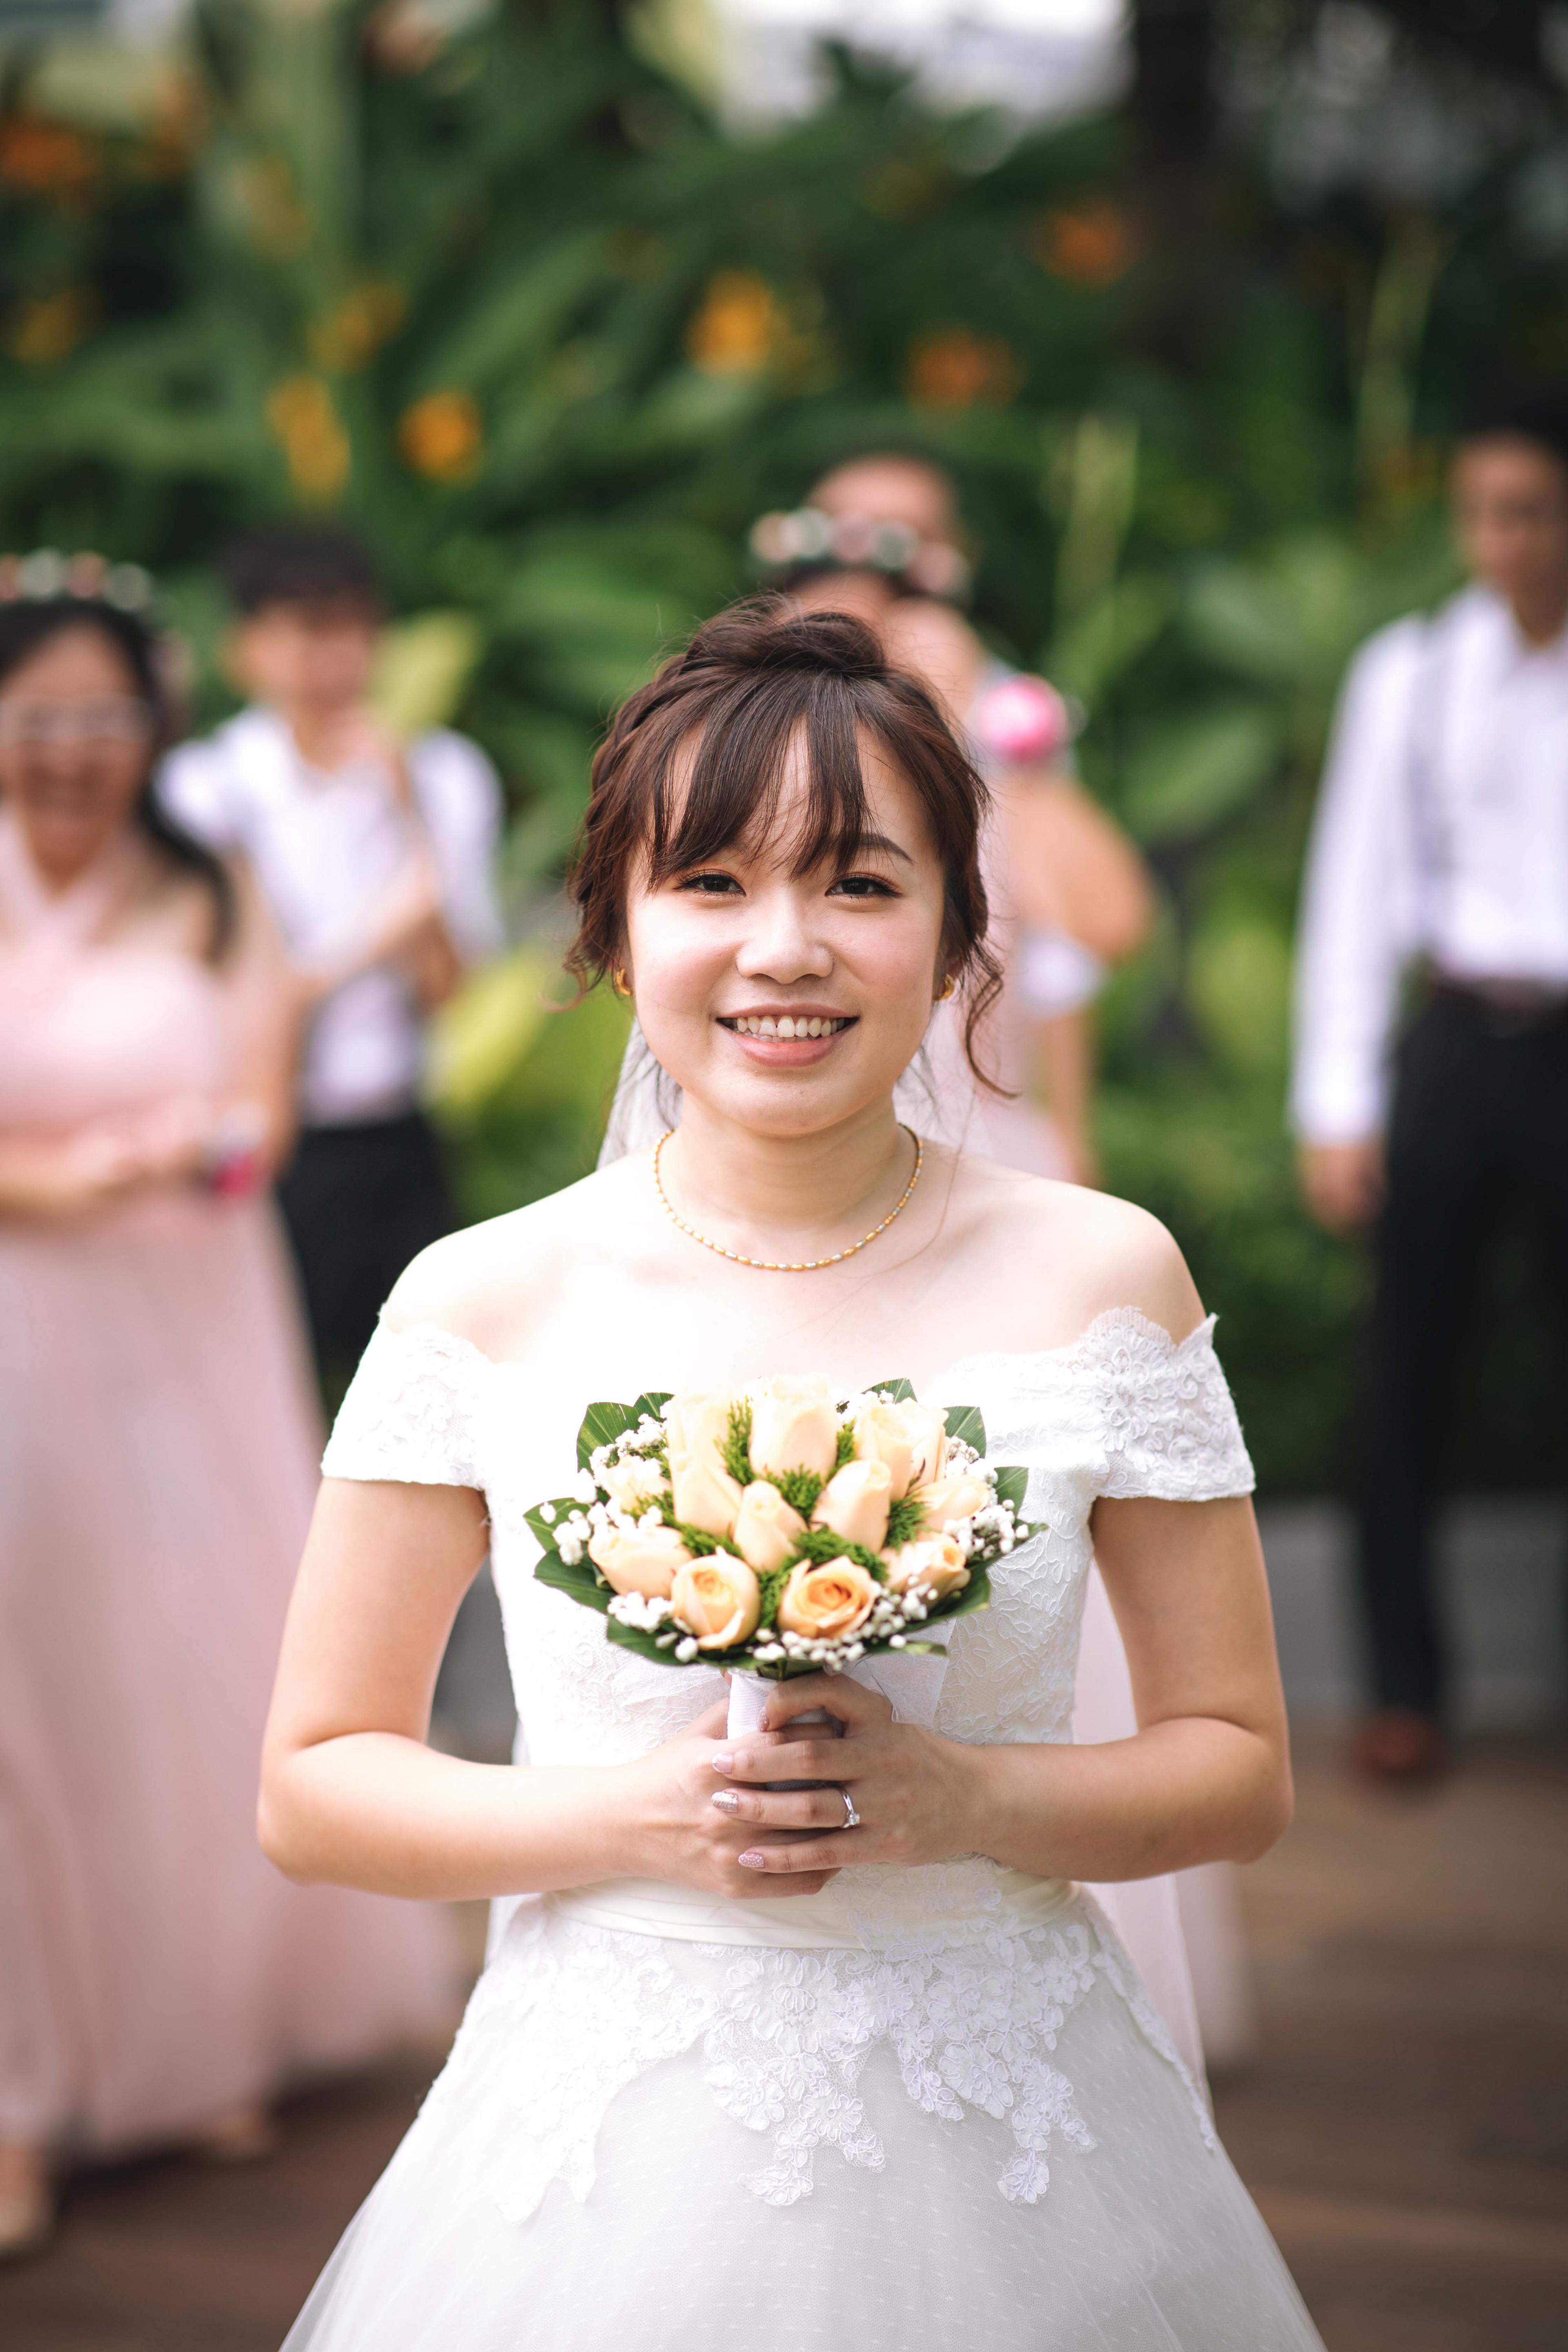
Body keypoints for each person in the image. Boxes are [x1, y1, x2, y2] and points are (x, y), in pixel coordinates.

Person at [263, 604, 1320, 2348]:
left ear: (958, 931)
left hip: (1017, 2127)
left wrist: (966, 1800)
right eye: (710, 883)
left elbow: (1240, 1767)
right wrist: (640, 1820)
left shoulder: (1104, 1276)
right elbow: (314, 1787)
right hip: (597, 2148)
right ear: (614, 928)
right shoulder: (480, 1300)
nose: (785, 949)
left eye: (859, 883)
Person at [763, 459, 1253, 2074]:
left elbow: (1109, 917)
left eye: (902, 567)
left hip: (997, 1197)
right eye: (840, 561)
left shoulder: (996, 747)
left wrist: (994, 744)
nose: (871, 595)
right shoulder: (758, 753)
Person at [0, 577, 453, 2261]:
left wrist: (199, 1153)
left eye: (107, 718)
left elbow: (266, 1110)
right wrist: (50, 1181)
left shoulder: (210, 888)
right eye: (38, 717)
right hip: (18, 1327)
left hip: (187, 1328)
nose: (74, 752)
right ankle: (20, 2089)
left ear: (155, 729)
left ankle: (187, 2037)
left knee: (178, 1666)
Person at [1293, 390, 1568, 1782]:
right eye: (1481, 513)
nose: (1502, 540)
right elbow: (1356, 891)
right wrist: (1336, 1103)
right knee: (1407, 1372)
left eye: (1530, 512)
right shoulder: (1410, 673)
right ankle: (1404, 1691)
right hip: (1458, 1040)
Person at [158, 527, 504, 1390]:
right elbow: (209, 986)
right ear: (245, 649)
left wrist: (403, 806)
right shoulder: (205, 787)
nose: (336, 657)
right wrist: (356, 953)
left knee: (426, 1378)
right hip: (265, 1133)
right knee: (265, 1381)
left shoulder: (443, 773)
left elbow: (447, 986)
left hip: (400, 1128)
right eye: (307, 630)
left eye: (355, 628)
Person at [757, 451, 1155, 1185]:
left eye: (900, 540)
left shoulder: (1005, 714)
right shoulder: (734, 707)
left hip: (974, 1137)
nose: (864, 576)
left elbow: (1109, 926)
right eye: (840, 534)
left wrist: (967, 714)